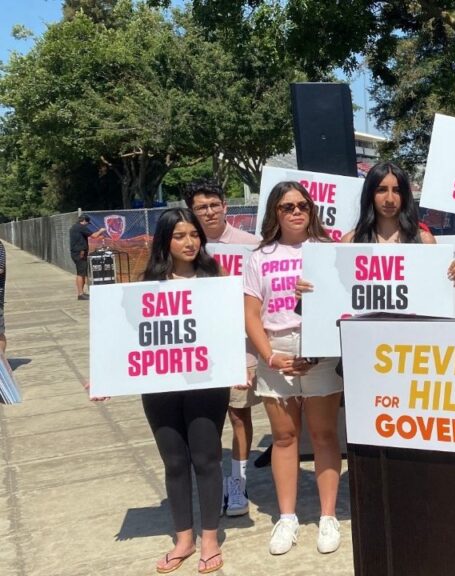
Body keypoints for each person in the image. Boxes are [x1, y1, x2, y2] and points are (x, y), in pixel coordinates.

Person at [89, 208, 229, 574]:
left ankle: (210, 538)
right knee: (175, 461)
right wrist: (104, 376)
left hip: (206, 384)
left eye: (194, 234)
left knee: (206, 458)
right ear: (166, 240)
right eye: (180, 235)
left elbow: (229, 334)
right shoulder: (145, 286)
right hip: (159, 385)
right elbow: (127, 339)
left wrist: (238, 365)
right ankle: (184, 538)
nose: (189, 242)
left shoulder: (216, 280)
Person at [243, 181, 344, 556]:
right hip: (277, 350)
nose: (297, 211)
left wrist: (318, 308)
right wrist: (268, 356)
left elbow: (343, 298)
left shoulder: (326, 249)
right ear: (275, 212)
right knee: (284, 437)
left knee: (323, 436)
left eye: (303, 205)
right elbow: (251, 315)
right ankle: (287, 518)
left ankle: (328, 516)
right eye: (288, 207)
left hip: (319, 349)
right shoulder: (259, 256)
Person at [183, 180, 261, 518]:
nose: (209, 211)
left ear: (225, 206)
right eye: (201, 207)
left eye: (214, 204)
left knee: (238, 414)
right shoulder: (185, 247)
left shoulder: (251, 245)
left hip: (240, 347)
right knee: (204, 420)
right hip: (196, 349)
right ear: (192, 211)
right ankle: (210, 481)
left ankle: (237, 482)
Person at [68, 215, 105, 300]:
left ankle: (82, 293)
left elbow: (86, 237)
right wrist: (101, 231)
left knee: (82, 273)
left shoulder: (75, 227)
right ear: (84, 221)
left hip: (77, 253)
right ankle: (80, 294)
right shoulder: (81, 227)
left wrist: (99, 236)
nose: (87, 225)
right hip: (80, 253)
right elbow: (94, 235)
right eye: (87, 223)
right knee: (80, 274)